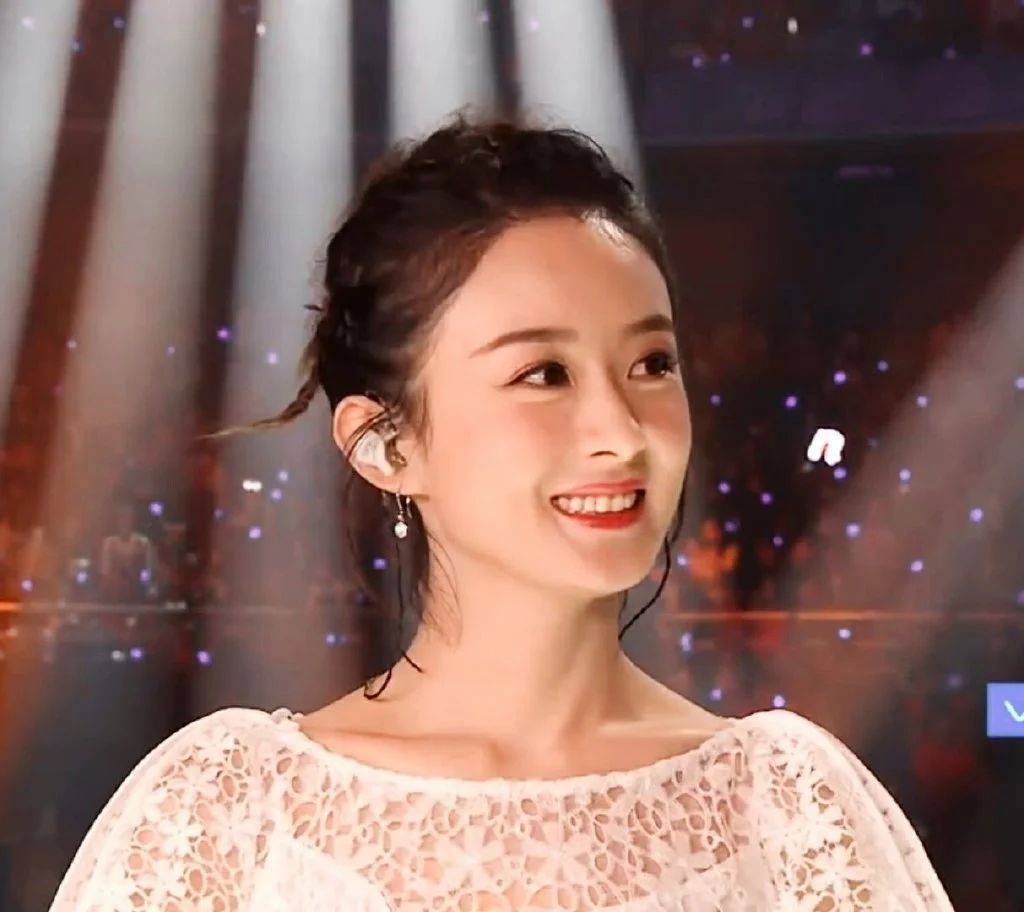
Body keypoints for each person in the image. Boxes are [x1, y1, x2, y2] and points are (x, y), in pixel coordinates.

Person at [46, 108, 954, 911]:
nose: (621, 432)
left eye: (651, 364)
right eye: (543, 374)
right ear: (386, 443)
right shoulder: (228, 813)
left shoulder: (784, 807)